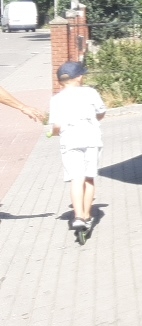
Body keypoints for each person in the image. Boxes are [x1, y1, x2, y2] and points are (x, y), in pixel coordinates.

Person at [48, 62, 106, 231]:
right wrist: (94, 119)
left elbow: (57, 126)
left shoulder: (56, 99)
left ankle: (78, 216)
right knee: (89, 178)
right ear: (79, 77)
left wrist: (55, 133)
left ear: (60, 81)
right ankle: (87, 216)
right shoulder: (90, 92)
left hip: (70, 141)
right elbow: (101, 112)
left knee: (76, 179)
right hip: (91, 139)